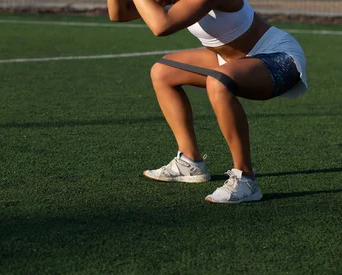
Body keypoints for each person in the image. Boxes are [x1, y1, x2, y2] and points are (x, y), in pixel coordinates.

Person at [107, 0, 308, 203]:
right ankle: (190, 162)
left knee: (217, 81)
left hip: (278, 58)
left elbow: (161, 25)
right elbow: (119, 14)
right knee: (162, 72)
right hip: (231, 61)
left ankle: (246, 179)